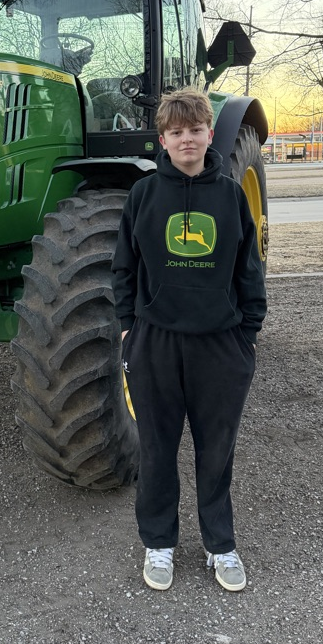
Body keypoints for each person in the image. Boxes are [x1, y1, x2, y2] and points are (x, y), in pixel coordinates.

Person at [111, 88, 266, 592]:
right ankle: (159, 545)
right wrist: (129, 328)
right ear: (164, 139)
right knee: (156, 450)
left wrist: (247, 336)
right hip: (154, 343)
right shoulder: (144, 195)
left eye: (195, 130)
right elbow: (123, 268)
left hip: (219, 345)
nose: (187, 139)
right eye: (176, 132)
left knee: (215, 451)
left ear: (208, 134)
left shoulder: (229, 196)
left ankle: (221, 547)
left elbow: (249, 271)